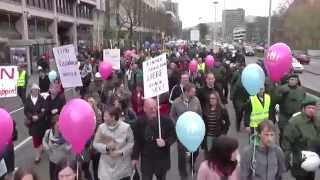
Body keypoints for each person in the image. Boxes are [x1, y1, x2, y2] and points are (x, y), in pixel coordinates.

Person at [132, 98, 176, 180]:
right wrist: (135, 157)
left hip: (162, 159)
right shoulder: (139, 122)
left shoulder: (167, 121)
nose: (153, 110)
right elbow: (137, 141)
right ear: (144, 109)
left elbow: (173, 136)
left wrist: (165, 142)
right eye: (150, 108)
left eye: (155, 107)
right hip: (147, 159)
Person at [282, 96, 320, 180]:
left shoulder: (317, 121)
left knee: (310, 177)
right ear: (303, 109)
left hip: (313, 159)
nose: (311, 110)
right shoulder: (295, 122)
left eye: (314, 108)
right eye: (309, 108)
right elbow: (286, 142)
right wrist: (288, 160)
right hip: (299, 161)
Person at [169, 83, 202, 180]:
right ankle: (183, 174)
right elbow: (172, 115)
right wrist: (177, 125)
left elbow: (200, 113)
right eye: (193, 91)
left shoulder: (196, 100)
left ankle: (193, 169)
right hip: (182, 133)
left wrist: (198, 124)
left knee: (195, 152)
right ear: (187, 92)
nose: (195, 93)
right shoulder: (176, 102)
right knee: (182, 154)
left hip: (194, 132)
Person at [93, 107, 134, 180]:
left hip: (122, 165)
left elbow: (131, 143)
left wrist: (121, 152)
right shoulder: (101, 128)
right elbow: (95, 143)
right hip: (106, 166)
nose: (104, 118)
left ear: (113, 117)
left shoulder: (126, 127)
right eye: (103, 116)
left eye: (106, 116)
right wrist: (106, 147)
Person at [274, 74, 305, 145]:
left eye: (294, 79)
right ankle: (282, 147)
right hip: (284, 115)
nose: (292, 81)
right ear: (288, 80)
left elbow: (304, 101)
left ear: (297, 81)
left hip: (296, 116)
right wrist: (282, 95)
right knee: (283, 132)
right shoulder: (282, 88)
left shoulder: (301, 90)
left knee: (295, 133)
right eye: (291, 79)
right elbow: (275, 101)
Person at [42, 115, 73, 180]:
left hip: (63, 163)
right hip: (53, 162)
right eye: (58, 126)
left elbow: (72, 146)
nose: (60, 128)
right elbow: (44, 141)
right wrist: (47, 148)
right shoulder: (48, 133)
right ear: (53, 125)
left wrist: (66, 147)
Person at [24, 84, 46, 163]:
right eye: (34, 89)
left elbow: (44, 110)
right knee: (35, 139)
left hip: (41, 123)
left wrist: (38, 116)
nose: (36, 91)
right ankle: (37, 156)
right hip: (33, 124)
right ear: (31, 91)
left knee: (41, 137)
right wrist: (31, 116)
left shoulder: (42, 99)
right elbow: (26, 111)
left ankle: (42, 147)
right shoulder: (28, 99)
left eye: (37, 90)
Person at [87, 97, 102, 180]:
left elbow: (99, 127)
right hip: (88, 144)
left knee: (96, 167)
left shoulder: (98, 113)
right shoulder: (84, 114)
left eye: (91, 104)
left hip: (96, 144)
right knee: (87, 167)